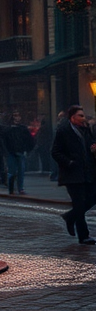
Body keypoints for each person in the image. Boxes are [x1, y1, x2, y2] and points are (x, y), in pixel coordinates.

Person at [51, 104, 96, 245]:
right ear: (73, 117)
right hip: (72, 174)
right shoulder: (64, 131)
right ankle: (83, 236)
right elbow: (55, 152)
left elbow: (89, 148)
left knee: (92, 198)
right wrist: (69, 162)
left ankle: (70, 217)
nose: (84, 118)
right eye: (80, 115)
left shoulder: (86, 130)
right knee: (79, 203)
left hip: (87, 171)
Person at [2, 110, 34, 194]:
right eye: (15, 116)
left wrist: (27, 149)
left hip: (19, 152)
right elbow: (4, 141)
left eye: (18, 116)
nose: (17, 118)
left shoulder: (22, 129)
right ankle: (12, 188)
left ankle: (20, 188)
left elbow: (30, 140)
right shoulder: (8, 129)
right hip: (12, 152)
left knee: (20, 171)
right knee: (12, 172)